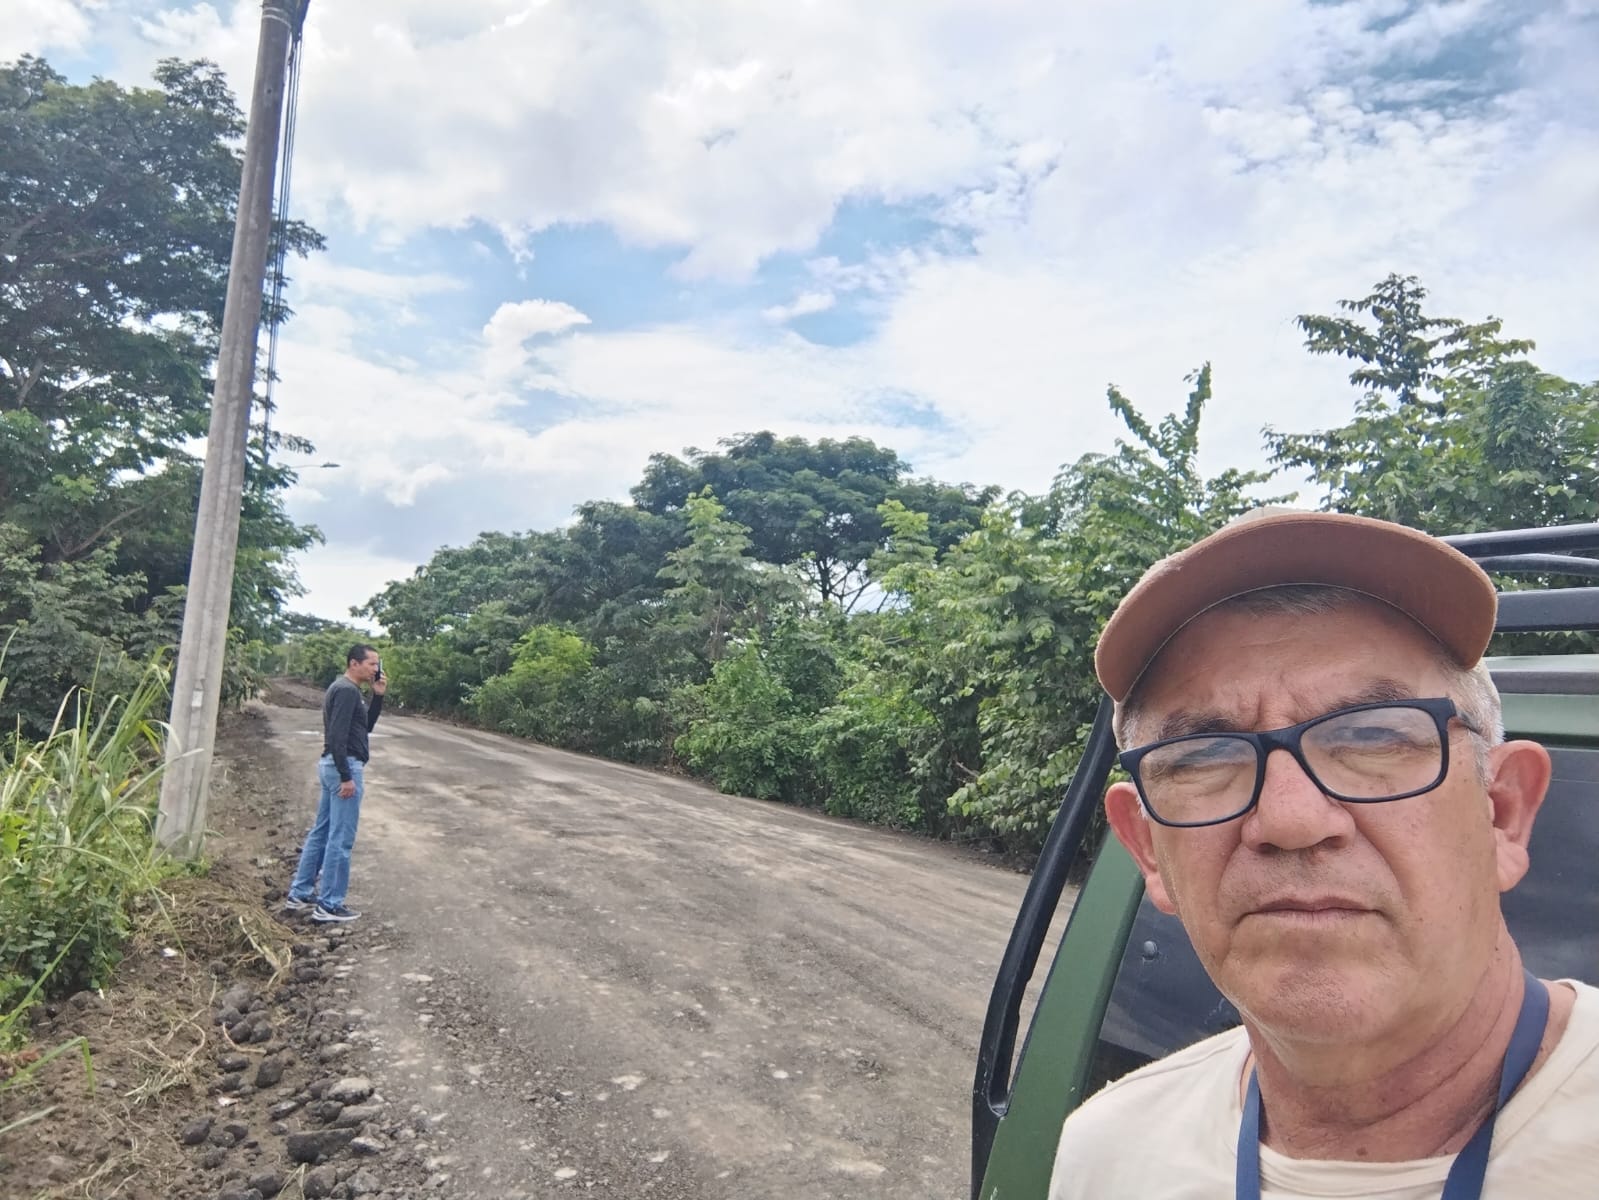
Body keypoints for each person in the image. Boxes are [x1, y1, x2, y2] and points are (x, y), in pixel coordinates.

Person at [1049, 509, 1598, 1199]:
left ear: (1503, 814)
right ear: (1147, 849)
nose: (1290, 819)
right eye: (1205, 756)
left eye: (1372, 737)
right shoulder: (1106, 1157)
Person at [284, 643, 387, 923]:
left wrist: (377, 697)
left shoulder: (347, 690)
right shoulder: (346, 691)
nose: (376, 669)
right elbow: (337, 736)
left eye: (377, 665)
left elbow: (364, 728)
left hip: (334, 765)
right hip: (344, 765)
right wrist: (346, 776)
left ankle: (300, 893)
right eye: (371, 664)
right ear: (354, 663)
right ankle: (329, 904)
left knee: (322, 832)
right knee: (341, 839)